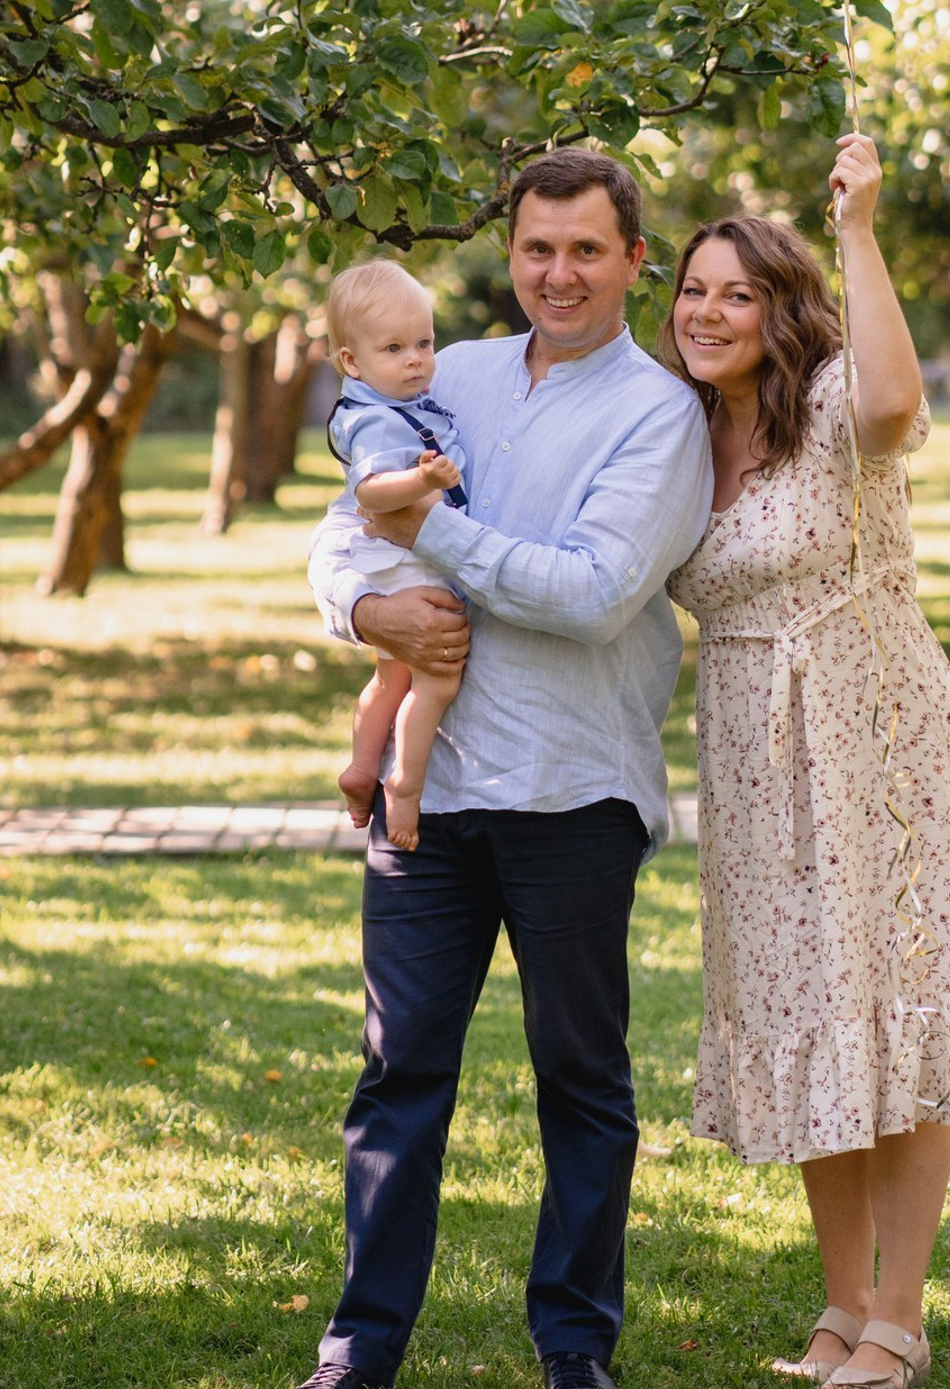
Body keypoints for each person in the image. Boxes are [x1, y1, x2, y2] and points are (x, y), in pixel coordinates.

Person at [300, 149, 712, 1389]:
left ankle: (574, 1344)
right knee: (398, 1074)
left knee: (580, 1080)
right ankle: (361, 1346)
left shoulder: (662, 416)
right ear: (511, 253)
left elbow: (592, 595)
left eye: (587, 249)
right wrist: (369, 612)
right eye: (538, 247)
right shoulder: (446, 372)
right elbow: (340, 530)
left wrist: (434, 531)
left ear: (635, 261)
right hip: (427, 803)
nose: (558, 273)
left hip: (572, 791)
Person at [661, 134, 950, 1389]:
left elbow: (890, 403)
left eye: (738, 294)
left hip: (876, 743)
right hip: (754, 764)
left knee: (898, 1009)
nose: (708, 313)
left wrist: (860, 229)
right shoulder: (683, 434)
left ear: (783, 309)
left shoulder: (831, 404)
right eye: (693, 290)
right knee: (809, 1015)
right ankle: (841, 1306)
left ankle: (900, 1320)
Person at [323, 258, 471, 852]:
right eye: (394, 348)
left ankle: (362, 765)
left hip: (391, 560)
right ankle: (405, 784)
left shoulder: (397, 402)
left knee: (392, 673)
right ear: (352, 361)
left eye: (424, 343)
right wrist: (423, 481)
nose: (415, 360)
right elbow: (371, 492)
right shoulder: (378, 421)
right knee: (438, 676)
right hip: (410, 561)